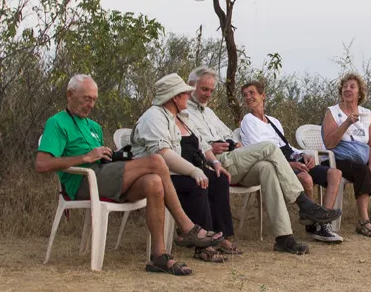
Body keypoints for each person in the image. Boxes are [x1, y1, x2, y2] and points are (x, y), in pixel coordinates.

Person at [36, 74, 220, 277]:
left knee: (154, 182)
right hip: (82, 182)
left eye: (94, 100)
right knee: (156, 160)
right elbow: (42, 164)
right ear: (70, 95)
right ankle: (187, 227)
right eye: (87, 99)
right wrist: (85, 157)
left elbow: (100, 159)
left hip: (104, 176)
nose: (91, 105)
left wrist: (110, 155)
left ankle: (159, 256)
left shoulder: (93, 126)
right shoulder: (57, 123)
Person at [184, 66, 341, 254]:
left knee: (267, 168)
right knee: (269, 147)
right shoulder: (184, 112)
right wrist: (210, 147)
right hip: (215, 163)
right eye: (204, 89)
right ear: (191, 85)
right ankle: (304, 204)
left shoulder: (209, 113)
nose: (208, 94)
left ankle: (284, 238)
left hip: (234, 160)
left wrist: (235, 143)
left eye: (211, 90)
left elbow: (229, 134)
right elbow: (189, 142)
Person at [131, 73, 240, 262]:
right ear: (175, 97)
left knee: (218, 179)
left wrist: (214, 163)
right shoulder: (154, 117)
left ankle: (218, 235)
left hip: (176, 171)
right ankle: (203, 245)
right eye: (185, 93)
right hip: (156, 176)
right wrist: (194, 171)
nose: (189, 97)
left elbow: (201, 144)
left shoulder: (181, 117)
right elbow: (162, 154)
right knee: (196, 183)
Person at [239, 80, 344, 243]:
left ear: (263, 95)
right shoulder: (248, 120)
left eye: (251, 93)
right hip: (273, 162)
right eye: (245, 95)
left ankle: (322, 224)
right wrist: (289, 165)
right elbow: (260, 151)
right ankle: (315, 224)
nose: (248, 97)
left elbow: (285, 146)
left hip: (287, 157)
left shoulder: (273, 121)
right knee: (306, 178)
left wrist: (303, 154)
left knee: (335, 174)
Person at [321, 73, 371, 237]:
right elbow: (329, 143)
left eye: (352, 87)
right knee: (361, 171)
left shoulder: (366, 114)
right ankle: (363, 222)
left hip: (363, 159)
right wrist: (347, 123)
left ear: (360, 93)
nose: (347, 89)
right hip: (338, 159)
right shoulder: (332, 112)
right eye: (345, 87)